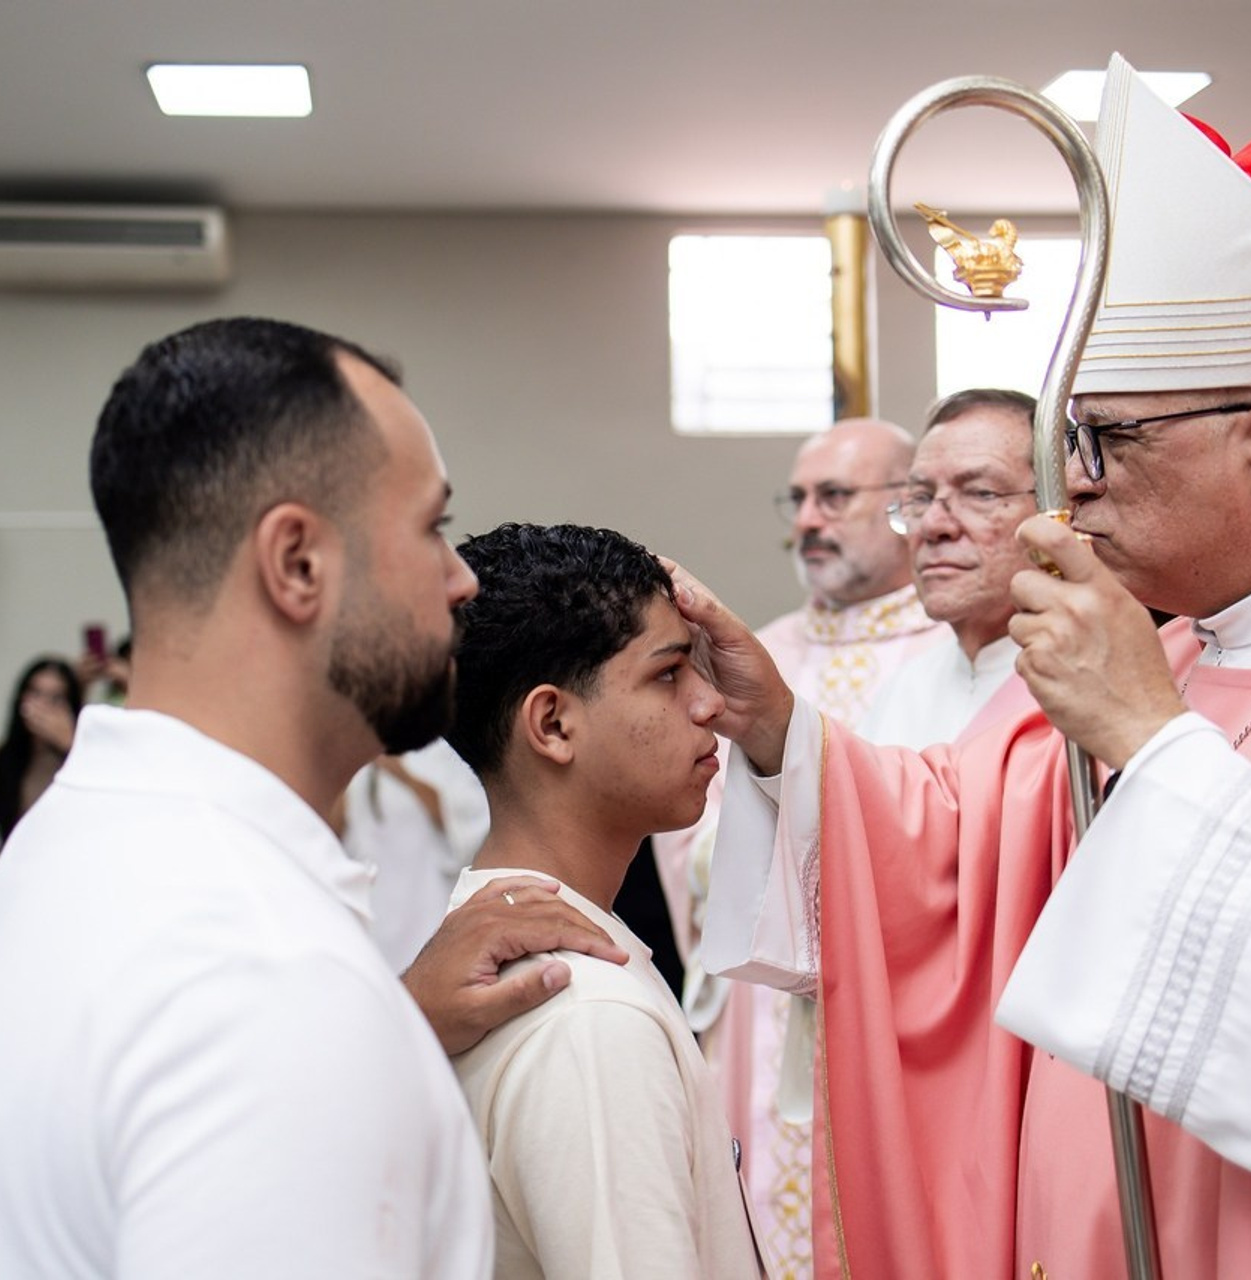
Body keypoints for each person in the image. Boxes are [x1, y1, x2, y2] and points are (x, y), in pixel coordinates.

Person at [680, 55, 1251, 1278]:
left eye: (1102, 438)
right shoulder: (1158, 648)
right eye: (1069, 444)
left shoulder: (1138, 679)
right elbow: (948, 849)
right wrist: (778, 729)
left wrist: (1150, 742)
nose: (1076, 484)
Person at [0, 317, 625, 1279]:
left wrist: (389, 1019)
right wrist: (341, 1033)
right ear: (297, 564)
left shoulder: (60, 851)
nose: (462, 581)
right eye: (432, 528)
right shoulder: (269, 981)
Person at [651, 417, 943, 1277]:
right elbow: (687, 843)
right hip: (759, 1010)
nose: (808, 519)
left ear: (905, 507)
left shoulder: (952, 649)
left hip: (891, 1004)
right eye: (800, 498)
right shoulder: (763, 651)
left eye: (835, 496)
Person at [443, 522, 761, 1279]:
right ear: (553, 723)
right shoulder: (586, 1017)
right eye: (668, 674)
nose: (710, 703)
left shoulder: (494, 937)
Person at [859, 387, 1039, 748]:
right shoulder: (903, 689)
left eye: (980, 493)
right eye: (921, 498)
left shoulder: (1098, 682)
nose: (932, 525)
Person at [336, 740, 491, 973]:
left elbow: (467, 825)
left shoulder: (439, 749)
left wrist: (399, 773)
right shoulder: (360, 753)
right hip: (377, 907)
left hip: (426, 900)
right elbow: (340, 831)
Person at [0, 656, 82, 845]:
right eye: (35, 693)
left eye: (56, 698)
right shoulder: (7, 759)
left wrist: (71, 745)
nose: (42, 706)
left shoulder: (80, 757)